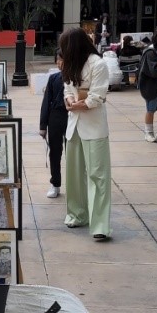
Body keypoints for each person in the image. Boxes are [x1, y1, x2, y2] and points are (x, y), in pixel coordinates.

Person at [60, 27, 112, 241]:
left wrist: (81, 104)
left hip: (94, 127)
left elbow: (98, 96)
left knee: (98, 176)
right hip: (74, 126)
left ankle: (100, 225)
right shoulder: (71, 64)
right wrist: (69, 101)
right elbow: (67, 88)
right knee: (73, 176)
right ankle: (77, 214)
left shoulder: (98, 64)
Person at [39, 53, 68, 198]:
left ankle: (76, 185)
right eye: (57, 60)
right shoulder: (53, 78)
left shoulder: (76, 78)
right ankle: (55, 183)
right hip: (55, 116)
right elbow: (46, 101)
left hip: (71, 115)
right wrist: (43, 125)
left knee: (73, 152)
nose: (59, 63)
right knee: (55, 152)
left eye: (61, 59)